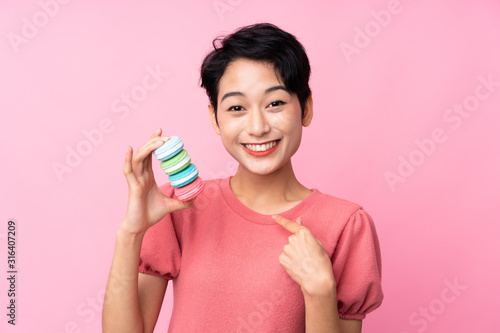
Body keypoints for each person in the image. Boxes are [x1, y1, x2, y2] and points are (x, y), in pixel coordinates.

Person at [102, 23, 383, 333]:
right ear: (215, 118)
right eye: (237, 107)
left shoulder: (346, 225)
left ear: (305, 108)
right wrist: (131, 232)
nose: (258, 126)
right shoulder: (179, 207)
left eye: (275, 103)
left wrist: (319, 289)